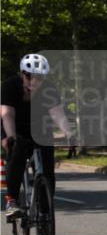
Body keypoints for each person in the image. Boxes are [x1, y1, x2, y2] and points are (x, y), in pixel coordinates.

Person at [2, 54, 76, 218]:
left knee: (47, 170)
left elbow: (57, 114)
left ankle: (44, 212)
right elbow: (7, 114)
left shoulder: (49, 89)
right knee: (16, 155)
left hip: (39, 128)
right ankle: (12, 200)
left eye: (39, 77)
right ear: (22, 74)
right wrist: (10, 137)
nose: (34, 81)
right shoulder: (10, 86)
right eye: (29, 76)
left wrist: (69, 133)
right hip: (14, 127)